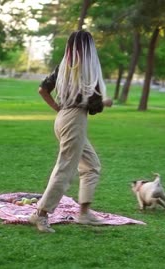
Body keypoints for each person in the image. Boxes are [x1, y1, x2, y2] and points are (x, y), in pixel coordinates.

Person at [29, 30, 113, 233]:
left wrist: (59, 110)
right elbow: (92, 106)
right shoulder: (87, 70)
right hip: (74, 120)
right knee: (65, 168)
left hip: (64, 118)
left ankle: (84, 214)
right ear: (88, 48)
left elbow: (43, 89)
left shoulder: (64, 67)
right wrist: (104, 102)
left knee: (91, 165)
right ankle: (40, 214)